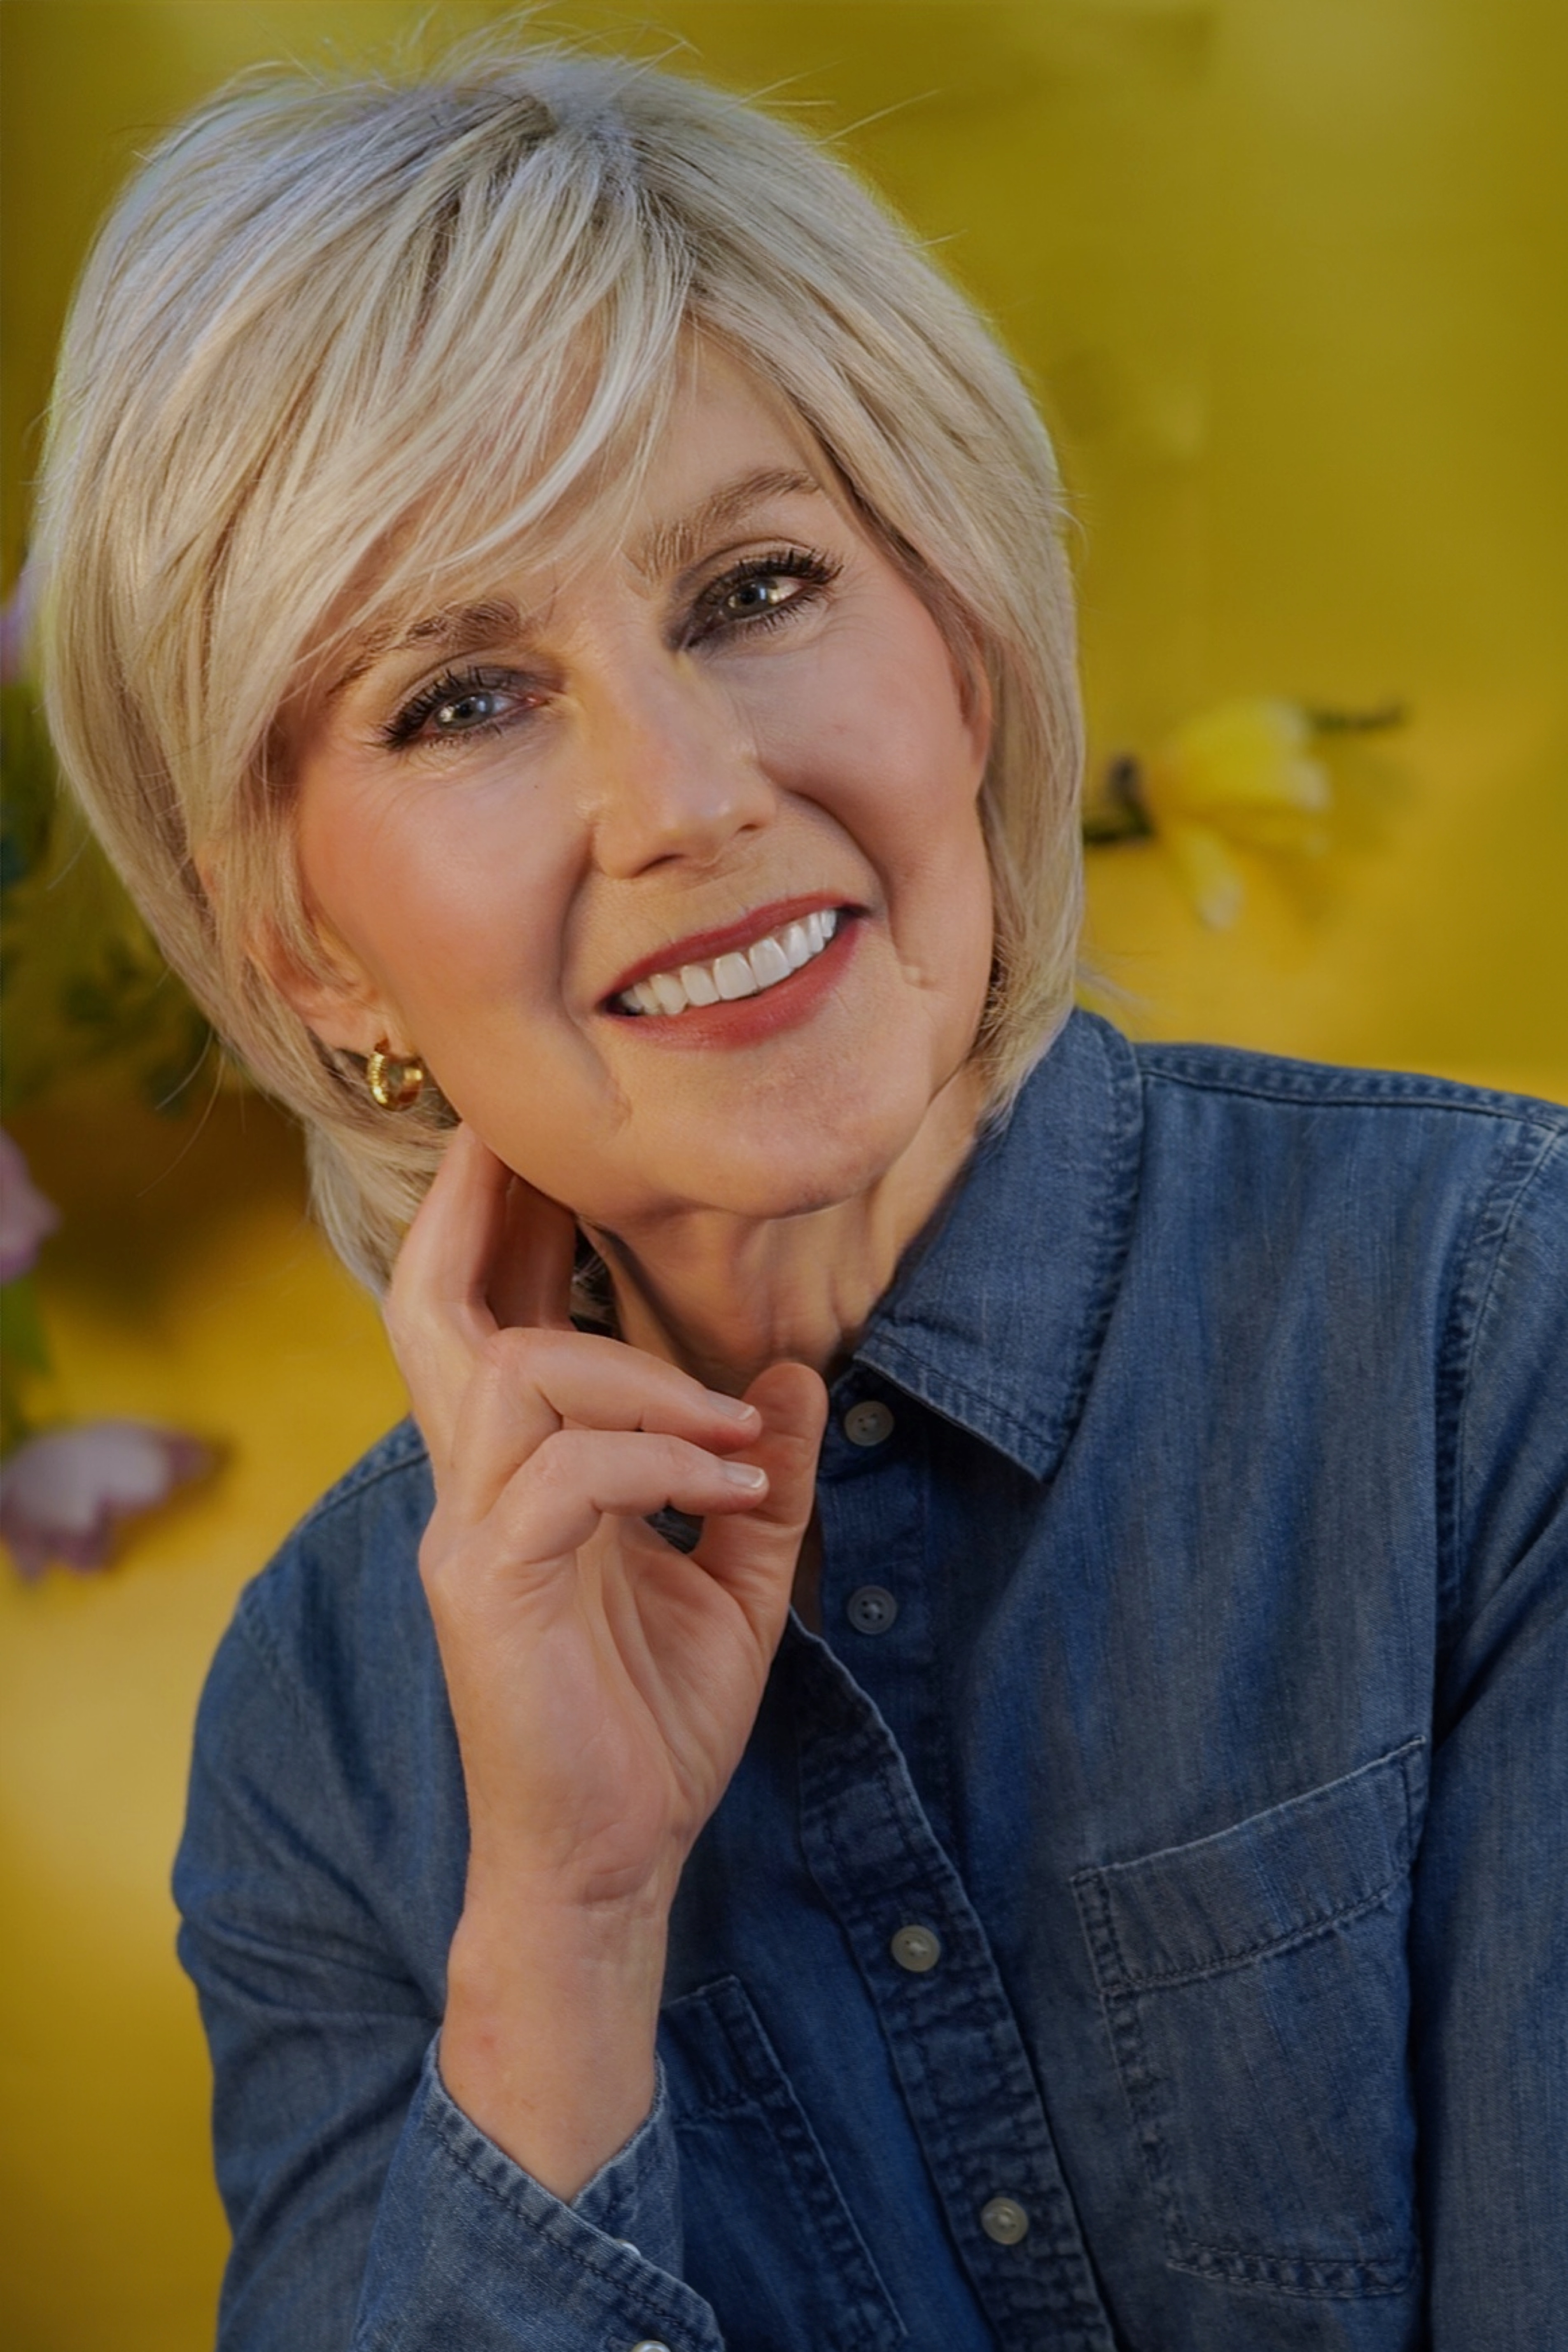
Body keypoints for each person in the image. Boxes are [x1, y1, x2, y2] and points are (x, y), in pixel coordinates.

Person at [32, 42, 1566, 2352]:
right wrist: (560, 1934)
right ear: (307, 951)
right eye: (462, 699)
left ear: (964, 651)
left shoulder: (1498, 1333)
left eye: (756, 586)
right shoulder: (327, 1733)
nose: (686, 796)